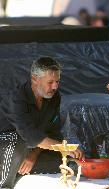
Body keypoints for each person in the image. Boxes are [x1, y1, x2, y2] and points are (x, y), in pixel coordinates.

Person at [0, 57, 84, 188]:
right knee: (19, 139)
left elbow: (51, 132)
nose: (55, 86)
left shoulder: (54, 97)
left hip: (29, 148)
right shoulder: (16, 97)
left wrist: (33, 155)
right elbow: (29, 135)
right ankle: (4, 184)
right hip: (8, 143)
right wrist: (65, 147)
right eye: (50, 82)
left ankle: (18, 169)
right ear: (35, 79)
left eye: (57, 81)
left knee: (64, 163)